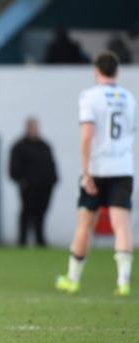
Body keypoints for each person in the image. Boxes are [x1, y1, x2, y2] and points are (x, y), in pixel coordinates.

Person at [56, 52, 136, 296]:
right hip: (123, 167)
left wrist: (85, 172)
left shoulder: (89, 97)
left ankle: (73, 279)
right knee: (121, 224)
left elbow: (87, 135)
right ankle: (123, 281)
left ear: (96, 70)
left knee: (85, 223)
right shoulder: (130, 98)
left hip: (98, 168)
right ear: (117, 72)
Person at [9, 117, 58, 247]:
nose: (35, 131)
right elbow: (13, 167)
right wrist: (21, 180)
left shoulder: (44, 146)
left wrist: (52, 181)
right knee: (26, 212)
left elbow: (51, 165)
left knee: (41, 213)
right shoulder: (19, 146)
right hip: (28, 187)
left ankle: (40, 240)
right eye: (32, 128)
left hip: (44, 186)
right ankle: (22, 241)